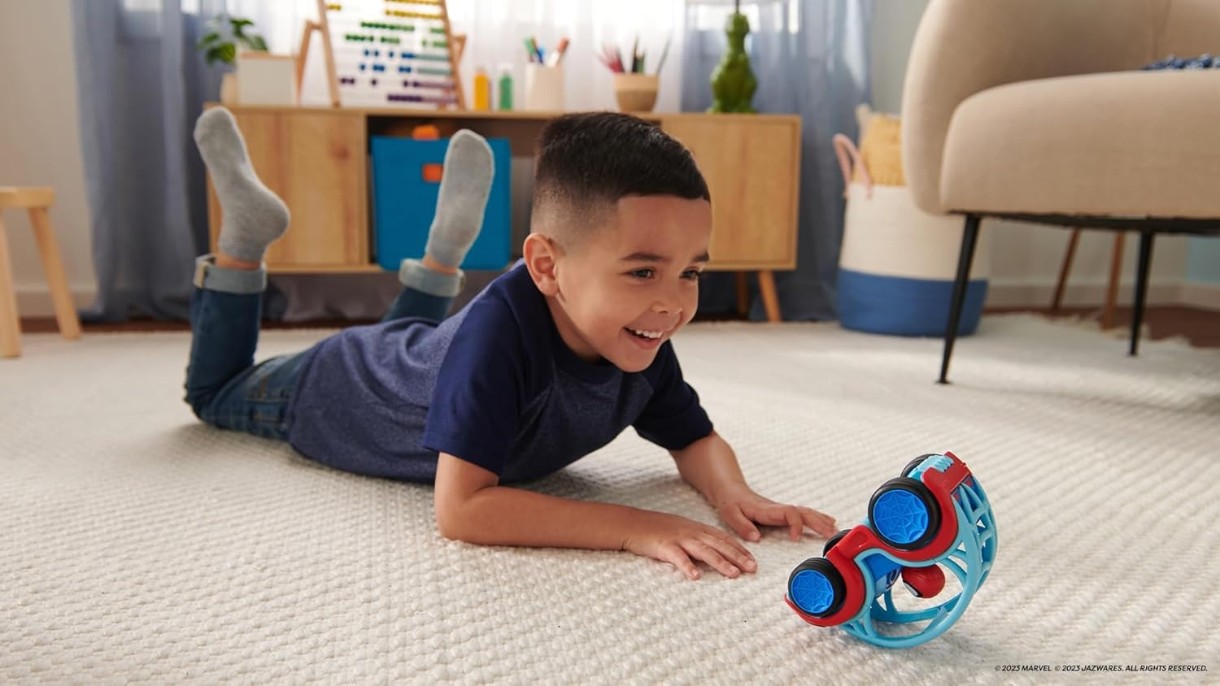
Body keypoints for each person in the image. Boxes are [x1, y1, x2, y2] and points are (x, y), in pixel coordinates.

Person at [186, 107, 836, 581]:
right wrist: (634, 525)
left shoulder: (641, 334)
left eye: (691, 272)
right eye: (643, 271)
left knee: (410, 341)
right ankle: (242, 245)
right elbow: (462, 510)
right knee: (213, 394)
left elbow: (694, 439)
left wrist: (733, 492)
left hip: (417, 350)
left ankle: (442, 256)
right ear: (547, 266)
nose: (673, 303)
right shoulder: (499, 338)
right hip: (334, 386)